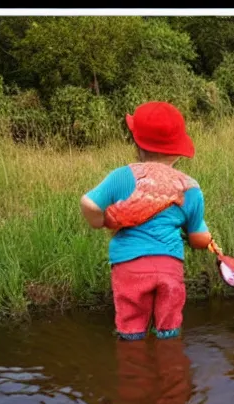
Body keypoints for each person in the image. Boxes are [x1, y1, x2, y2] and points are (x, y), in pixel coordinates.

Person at [80, 101, 212, 341]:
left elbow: (89, 204)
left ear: (137, 143)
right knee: (169, 330)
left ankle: (135, 366)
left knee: (131, 329)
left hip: (129, 267)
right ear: (177, 150)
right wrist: (208, 242)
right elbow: (198, 237)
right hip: (169, 266)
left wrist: (101, 222)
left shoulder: (121, 176)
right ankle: (170, 368)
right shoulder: (190, 187)